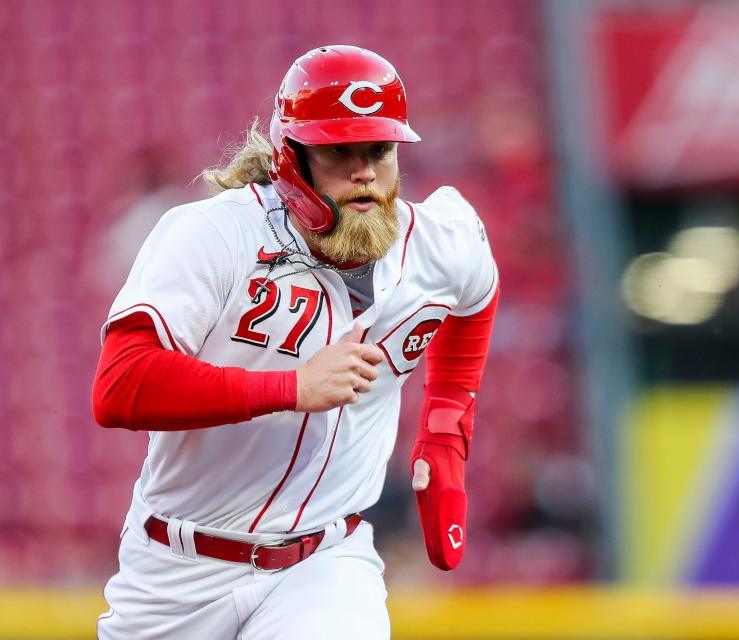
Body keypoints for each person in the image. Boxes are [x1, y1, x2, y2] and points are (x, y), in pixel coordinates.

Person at [92, 44, 499, 639]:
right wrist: (292, 387)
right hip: (178, 566)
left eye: (379, 150)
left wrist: (445, 433)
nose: (364, 171)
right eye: (339, 152)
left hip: (324, 562)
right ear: (291, 159)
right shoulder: (213, 234)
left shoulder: (439, 243)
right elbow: (119, 387)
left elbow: (478, 295)